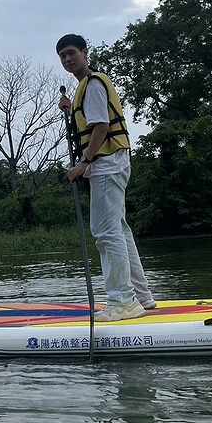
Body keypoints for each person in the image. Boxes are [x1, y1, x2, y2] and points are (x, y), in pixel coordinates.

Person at [56, 34, 156, 322]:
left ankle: (123, 301)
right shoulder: (84, 89)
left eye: (72, 52)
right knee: (119, 230)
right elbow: (91, 120)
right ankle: (142, 297)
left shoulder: (94, 85)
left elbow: (101, 127)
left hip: (105, 166)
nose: (67, 59)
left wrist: (83, 163)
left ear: (85, 52)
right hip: (114, 163)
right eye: (62, 56)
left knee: (105, 232)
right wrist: (70, 108)